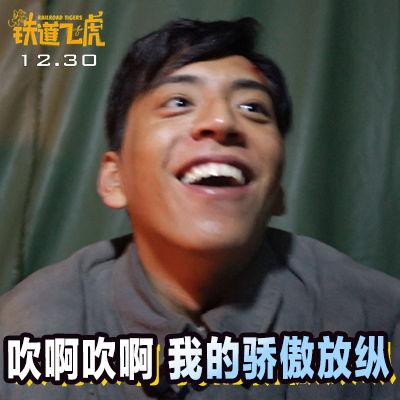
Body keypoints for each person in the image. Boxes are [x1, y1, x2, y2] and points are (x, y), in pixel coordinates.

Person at [1, 17, 399, 400]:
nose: (222, 120)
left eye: (252, 107)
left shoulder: (375, 321)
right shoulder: (26, 332)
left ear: (277, 190)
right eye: (179, 101)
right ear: (115, 178)